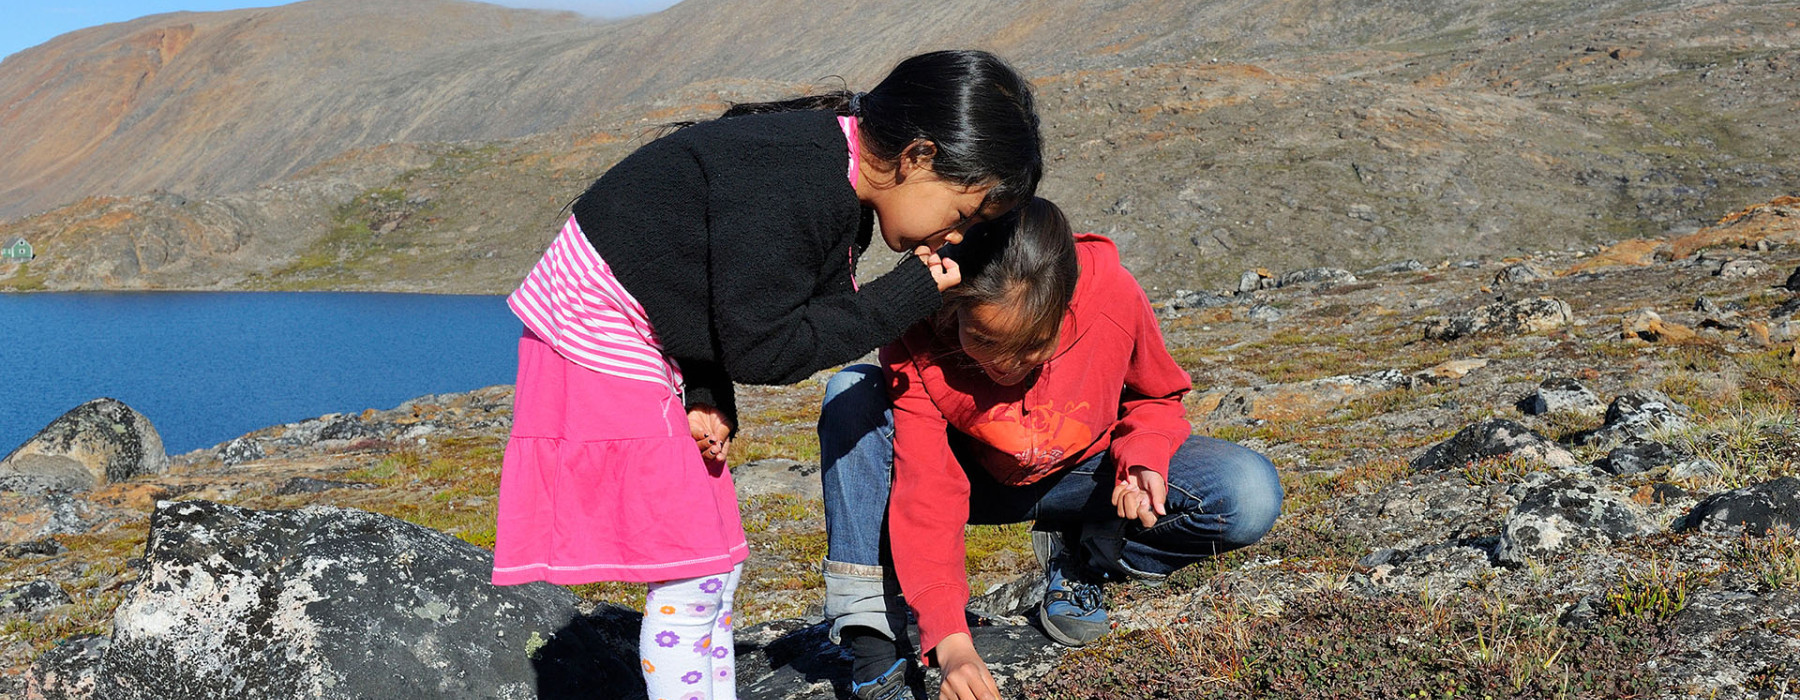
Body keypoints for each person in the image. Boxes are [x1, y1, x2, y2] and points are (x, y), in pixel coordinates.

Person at [490, 50, 1042, 700]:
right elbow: (764, 347)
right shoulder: (803, 183)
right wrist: (907, 295)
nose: (954, 236)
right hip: (599, 332)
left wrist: (702, 386)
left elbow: (697, 265)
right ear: (918, 157)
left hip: (637, 328)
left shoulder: (831, 176)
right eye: (961, 214)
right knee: (692, 573)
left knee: (715, 568)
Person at [817, 198, 1283, 700]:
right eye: (984, 341)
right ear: (954, 308)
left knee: (1247, 492)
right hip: (976, 482)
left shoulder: (1112, 295)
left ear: (1066, 308)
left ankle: (1086, 555)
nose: (1005, 367)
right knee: (851, 395)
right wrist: (952, 641)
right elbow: (927, 487)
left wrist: (1142, 458)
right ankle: (873, 646)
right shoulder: (917, 332)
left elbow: (1155, 394)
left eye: (1031, 346)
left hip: (1084, 475)